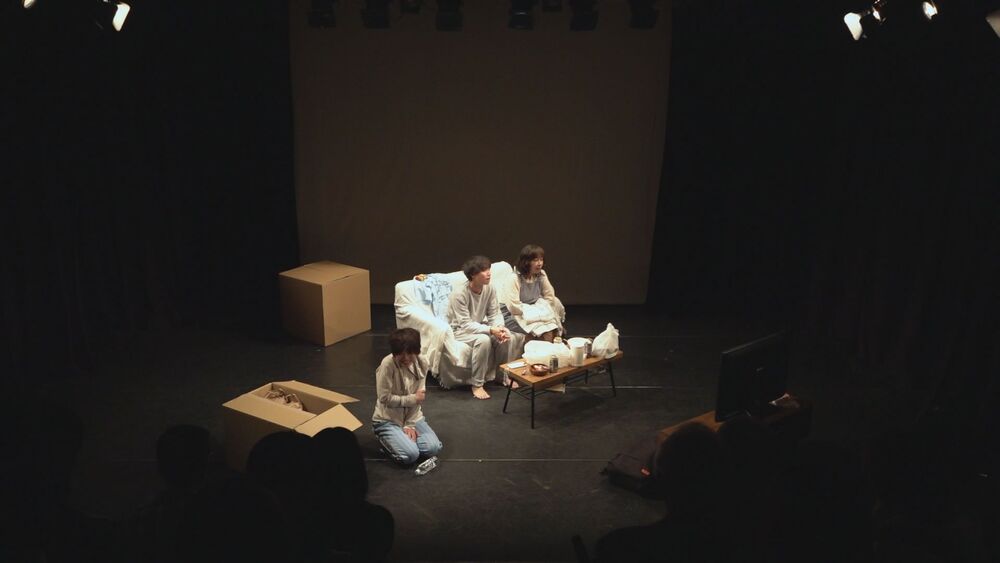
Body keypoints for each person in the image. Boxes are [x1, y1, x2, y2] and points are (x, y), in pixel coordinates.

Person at [447, 255, 525, 399]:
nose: (489, 273)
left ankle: (502, 376)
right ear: (473, 275)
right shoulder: (459, 294)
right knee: (483, 340)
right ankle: (477, 385)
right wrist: (490, 330)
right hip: (459, 329)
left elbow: (494, 313)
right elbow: (465, 324)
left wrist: (499, 328)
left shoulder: (489, 288)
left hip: (477, 325)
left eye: (489, 269)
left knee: (505, 336)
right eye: (484, 270)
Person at [372, 327, 443, 464]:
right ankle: (384, 437)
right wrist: (412, 399)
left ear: (416, 351)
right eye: (400, 354)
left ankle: (403, 440)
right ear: (394, 353)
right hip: (389, 419)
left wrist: (410, 425)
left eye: (410, 353)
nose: (405, 358)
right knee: (410, 455)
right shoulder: (387, 365)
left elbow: (420, 397)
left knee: (433, 448)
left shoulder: (423, 362)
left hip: (413, 417)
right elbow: (384, 398)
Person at [501, 244, 565, 342]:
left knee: (550, 331)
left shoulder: (540, 275)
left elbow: (550, 297)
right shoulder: (514, 278)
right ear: (526, 262)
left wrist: (540, 311)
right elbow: (513, 307)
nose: (539, 263)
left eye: (541, 260)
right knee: (536, 335)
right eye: (535, 260)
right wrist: (534, 313)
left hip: (533, 310)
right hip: (515, 314)